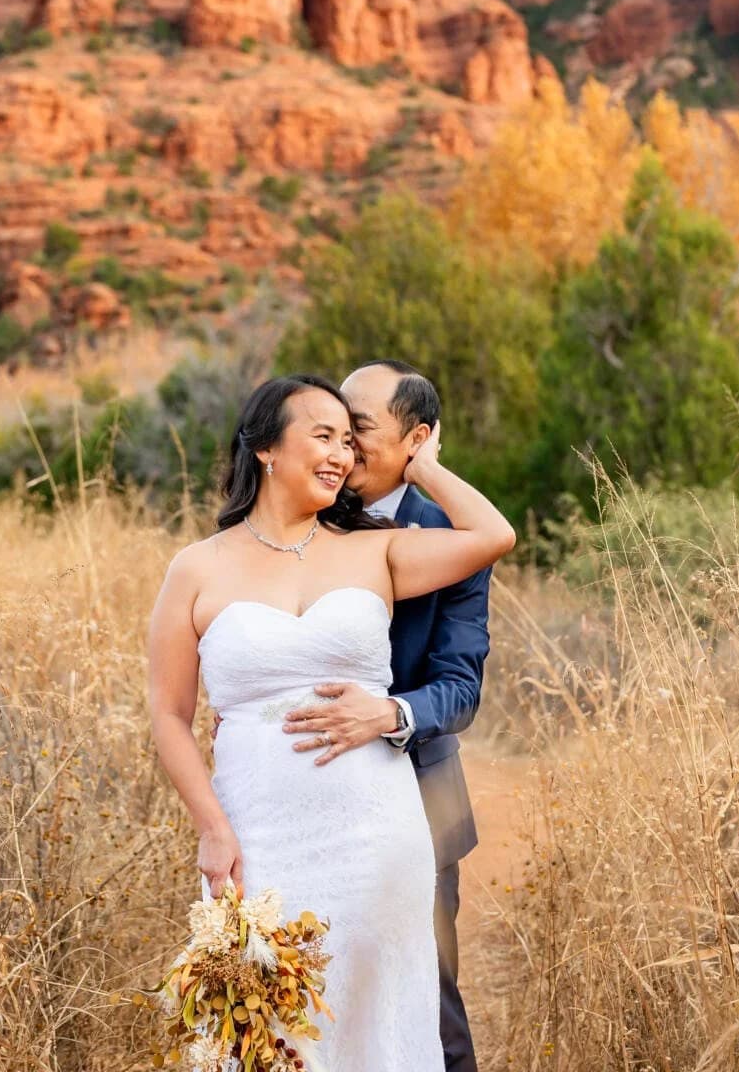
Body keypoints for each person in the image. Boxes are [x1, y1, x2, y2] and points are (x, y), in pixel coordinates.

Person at [147, 375, 515, 1070]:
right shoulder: (195, 568)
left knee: (389, 1016)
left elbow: (495, 535)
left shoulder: (376, 550)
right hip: (257, 831)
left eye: (351, 439)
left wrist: (427, 464)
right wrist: (212, 827)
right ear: (264, 450)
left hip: (378, 828)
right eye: (325, 435)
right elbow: (168, 713)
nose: (343, 454)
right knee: (270, 1030)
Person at [277, 360, 487, 1071]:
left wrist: (388, 713)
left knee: (428, 1003)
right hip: (309, 799)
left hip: (420, 800)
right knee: (310, 993)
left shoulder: (452, 534)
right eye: (336, 425)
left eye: (361, 428)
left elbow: (460, 687)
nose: (345, 446)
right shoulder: (309, 514)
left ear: (416, 439)